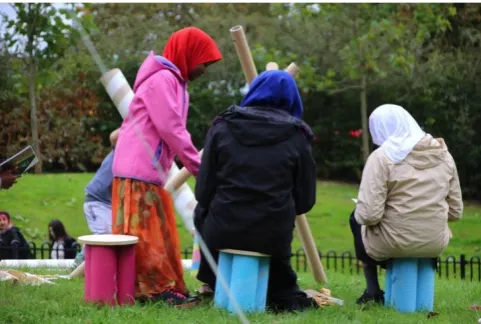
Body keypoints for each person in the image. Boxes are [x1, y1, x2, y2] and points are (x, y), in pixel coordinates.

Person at [111, 26, 222, 307]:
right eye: (203, 62)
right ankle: (156, 291)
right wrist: (201, 169)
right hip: (138, 169)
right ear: (188, 54)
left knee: (159, 233)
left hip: (148, 171)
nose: (204, 70)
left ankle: (163, 287)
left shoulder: (173, 80)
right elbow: (171, 129)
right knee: (145, 235)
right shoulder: (162, 79)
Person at [194, 70, 317, 313]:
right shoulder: (298, 135)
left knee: (202, 211)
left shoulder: (222, 126)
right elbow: (305, 201)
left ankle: (211, 277)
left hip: (221, 229)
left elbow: (203, 191)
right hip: (272, 232)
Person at [351, 104, 463, 305]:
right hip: (434, 242)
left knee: (356, 217)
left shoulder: (382, 157)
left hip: (393, 242)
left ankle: (372, 290)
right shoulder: (444, 155)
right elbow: (456, 212)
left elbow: (369, 215)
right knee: (420, 230)